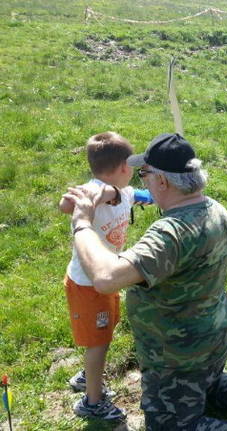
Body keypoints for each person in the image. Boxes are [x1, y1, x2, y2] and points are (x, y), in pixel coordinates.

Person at [62, 133, 227, 430]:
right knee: (207, 386)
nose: (142, 181)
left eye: (145, 174)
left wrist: (83, 224)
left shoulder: (171, 233)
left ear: (162, 181)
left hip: (178, 353)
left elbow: (106, 278)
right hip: (215, 335)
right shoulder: (214, 208)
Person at [59, 132, 152, 421]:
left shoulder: (122, 192)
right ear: (125, 167)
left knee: (106, 332)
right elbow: (65, 205)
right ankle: (92, 401)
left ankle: (89, 377)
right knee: (98, 342)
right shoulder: (91, 191)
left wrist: (149, 196)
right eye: (133, 167)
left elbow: (141, 195)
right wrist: (84, 198)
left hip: (107, 276)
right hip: (88, 284)